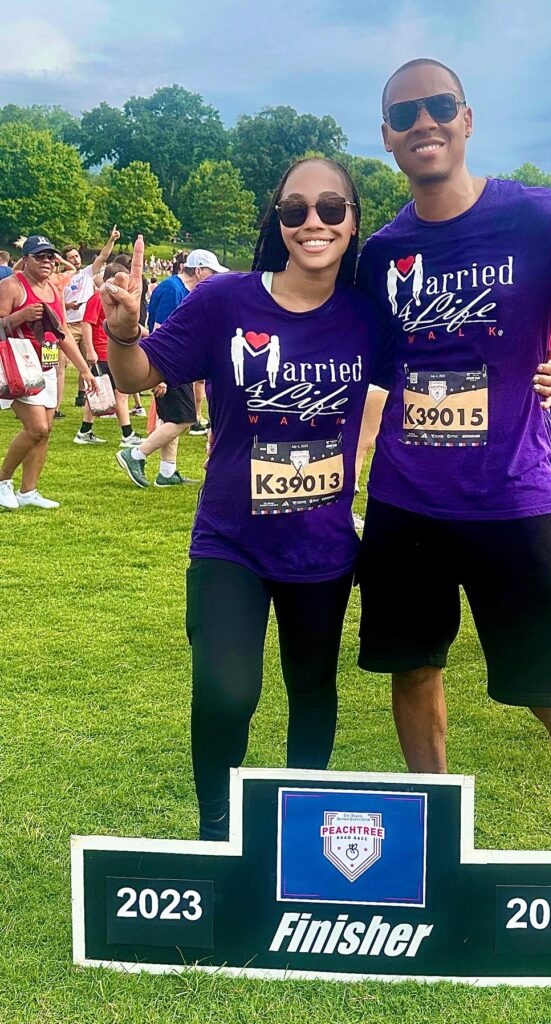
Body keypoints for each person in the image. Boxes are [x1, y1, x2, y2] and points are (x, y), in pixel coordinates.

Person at [355, 58, 551, 856]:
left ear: (466, 120)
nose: (423, 122)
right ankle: (430, 846)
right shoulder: (380, 252)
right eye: (405, 114)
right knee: (415, 671)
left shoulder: (537, 219)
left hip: (517, 502)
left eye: (439, 107)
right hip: (407, 500)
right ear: (387, 137)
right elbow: (372, 369)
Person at [101, 158, 382, 840]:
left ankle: (300, 833)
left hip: (321, 546)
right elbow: (141, 374)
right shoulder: (226, 300)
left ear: (352, 220)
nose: (312, 222)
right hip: (230, 541)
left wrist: (536, 374)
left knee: (312, 691)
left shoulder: (368, 316)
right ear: (276, 221)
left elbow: (441, 364)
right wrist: (121, 330)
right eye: (294, 210)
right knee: (227, 694)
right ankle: (216, 834)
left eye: (329, 208)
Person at [0, 236, 97, 510]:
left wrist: (84, 370)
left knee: (46, 431)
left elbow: (62, 332)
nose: (47, 262)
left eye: (50, 257)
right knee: (36, 427)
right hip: (18, 366)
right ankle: (2, 480)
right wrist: (21, 316)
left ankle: (28, 490)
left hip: (48, 363)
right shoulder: (11, 286)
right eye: (39, 256)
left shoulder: (54, 289)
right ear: (26, 259)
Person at [116, 250, 228, 487]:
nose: (214, 278)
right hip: (170, 365)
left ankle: (167, 472)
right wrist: (162, 376)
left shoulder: (180, 290)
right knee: (184, 419)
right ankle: (136, 454)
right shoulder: (172, 290)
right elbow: (161, 333)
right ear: (198, 270)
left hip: (178, 364)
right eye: (211, 272)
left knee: (174, 416)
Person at [73, 264, 144, 448]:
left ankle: (84, 430)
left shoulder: (115, 300)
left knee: (99, 392)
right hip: (104, 352)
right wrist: (90, 350)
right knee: (120, 393)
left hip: (110, 351)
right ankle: (127, 435)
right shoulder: (98, 298)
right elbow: (87, 323)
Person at [63, 228, 121, 407]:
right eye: (71, 257)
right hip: (68, 323)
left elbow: (102, 257)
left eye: (76, 256)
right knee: (61, 364)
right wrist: (67, 306)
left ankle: (82, 395)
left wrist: (111, 240)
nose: (76, 259)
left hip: (84, 322)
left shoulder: (86, 273)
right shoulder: (62, 277)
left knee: (87, 362)